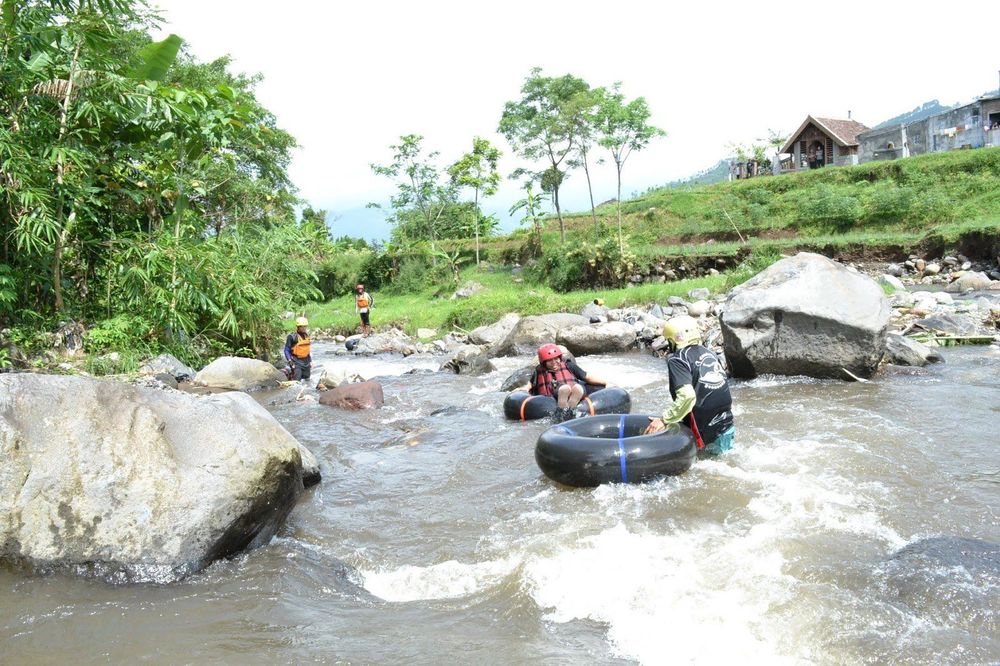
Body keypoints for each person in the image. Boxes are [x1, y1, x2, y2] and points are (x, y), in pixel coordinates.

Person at [644, 315, 735, 455]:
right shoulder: (710, 354)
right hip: (726, 425)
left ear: (674, 340)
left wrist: (664, 419)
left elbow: (687, 396)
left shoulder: (678, 359)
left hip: (705, 432)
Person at [520, 343, 609, 422]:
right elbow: (531, 384)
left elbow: (587, 377)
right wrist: (525, 389)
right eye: (550, 361)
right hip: (555, 394)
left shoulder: (569, 365)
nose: (554, 362)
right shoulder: (539, 371)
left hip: (574, 389)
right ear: (544, 362)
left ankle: (571, 403)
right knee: (562, 388)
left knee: (578, 388)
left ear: (560, 358)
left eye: (556, 359)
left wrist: (606, 382)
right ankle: (565, 402)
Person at [283, 316, 312, 381]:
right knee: (297, 382)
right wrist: (290, 361)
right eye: (302, 326)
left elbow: (306, 350)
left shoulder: (306, 336)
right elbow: (286, 350)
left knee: (307, 380)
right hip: (296, 362)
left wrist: (310, 361)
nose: (304, 328)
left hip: (306, 362)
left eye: (305, 326)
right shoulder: (292, 337)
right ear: (298, 327)